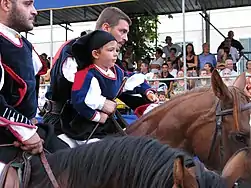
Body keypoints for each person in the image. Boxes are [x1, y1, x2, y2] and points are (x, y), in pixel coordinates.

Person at [44, 7, 152, 135]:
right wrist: (102, 103)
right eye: (122, 31)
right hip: (63, 124)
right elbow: (77, 89)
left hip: (93, 124)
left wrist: (148, 96)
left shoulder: (110, 59)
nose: (126, 38)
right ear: (106, 28)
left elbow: (121, 84)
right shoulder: (74, 50)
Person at [0, 0, 69, 171]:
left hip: (29, 131)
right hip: (5, 139)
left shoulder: (24, 45)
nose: (35, 11)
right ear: (6, 4)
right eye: (27, 4)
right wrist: (26, 132)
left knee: (74, 162)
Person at [59, 30, 158, 143]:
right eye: (111, 50)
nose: (116, 53)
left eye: (117, 50)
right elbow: (78, 101)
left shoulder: (117, 72)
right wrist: (97, 116)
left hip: (107, 121)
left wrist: (147, 92)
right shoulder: (84, 75)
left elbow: (131, 80)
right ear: (96, 54)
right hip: (85, 124)